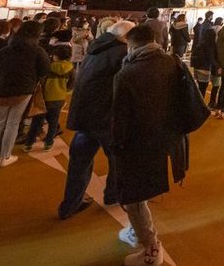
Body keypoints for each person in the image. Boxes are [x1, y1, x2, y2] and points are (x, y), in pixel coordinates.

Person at [112, 25, 184, 265]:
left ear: (131, 45)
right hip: (166, 138)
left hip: (137, 142)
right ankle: (142, 235)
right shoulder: (172, 63)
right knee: (140, 192)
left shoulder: (127, 74)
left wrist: (116, 146)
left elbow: (120, 118)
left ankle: (150, 248)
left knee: (133, 194)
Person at [58, 20, 135, 219]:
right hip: (106, 117)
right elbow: (128, 85)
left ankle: (70, 204)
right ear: (125, 37)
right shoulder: (122, 54)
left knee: (79, 162)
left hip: (84, 114)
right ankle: (113, 194)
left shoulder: (96, 48)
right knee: (118, 159)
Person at [0, 21, 50, 167]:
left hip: (0, 89)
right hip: (23, 90)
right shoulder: (37, 51)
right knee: (13, 123)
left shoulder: (5, 50)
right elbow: (45, 69)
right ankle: (5, 156)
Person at [24, 45, 73, 152]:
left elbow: (41, 80)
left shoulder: (48, 67)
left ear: (55, 56)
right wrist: (64, 91)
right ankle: (48, 143)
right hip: (59, 98)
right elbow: (71, 84)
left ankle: (28, 143)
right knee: (54, 122)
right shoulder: (70, 69)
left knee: (37, 121)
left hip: (45, 97)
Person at [190, 13, 218, 104]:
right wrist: (217, 66)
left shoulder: (200, 44)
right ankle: (199, 105)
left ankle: (196, 103)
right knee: (203, 88)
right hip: (204, 68)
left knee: (199, 87)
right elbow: (210, 57)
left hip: (197, 67)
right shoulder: (210, 46)